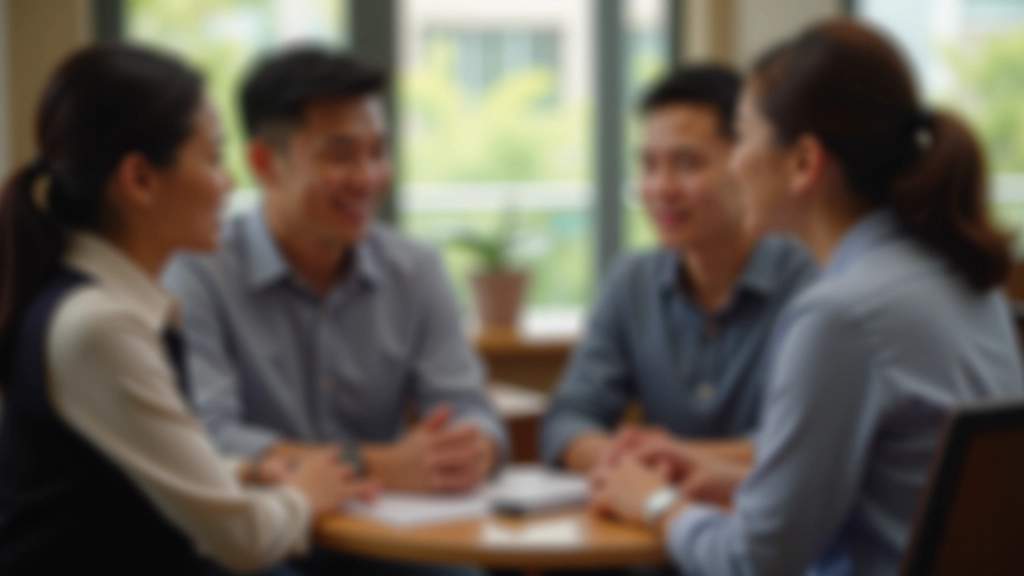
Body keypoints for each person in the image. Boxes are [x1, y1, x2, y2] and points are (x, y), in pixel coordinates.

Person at [590, 20, 1024, 576]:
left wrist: (653, 503)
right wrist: (739, 477)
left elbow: (755, 562)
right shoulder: (957, 275)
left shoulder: (840, 315)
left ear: (803, 162)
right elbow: (901, 497)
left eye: (742, 136)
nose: (736, 163)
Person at [0, 45, 374, 576]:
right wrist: (308, 495)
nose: (231, 183)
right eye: (214, 157)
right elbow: (241, 540)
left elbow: (125, 479)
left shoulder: (106, 306)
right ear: (140, 181)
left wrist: (246, 470)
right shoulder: (99, 324)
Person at [162, 46, 501, 575]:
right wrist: (379, 463)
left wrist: (470, 447)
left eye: (377, 151)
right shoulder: (198, 272)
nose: (367, 177)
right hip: (267, 537)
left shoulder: (416, 268)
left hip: (387, 535)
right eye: (340, 155)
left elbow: (466, 404)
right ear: (262, 164)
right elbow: (212, 438)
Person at [540, 65, 817, 475]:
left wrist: (670, 458)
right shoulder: (631, 281)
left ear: (743, 160)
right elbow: (566, 421)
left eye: (687, 164)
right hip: (660, 525)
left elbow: (802, 449)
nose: (661, 188)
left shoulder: (810, 284)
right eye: (650, 165)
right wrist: (644, 461)